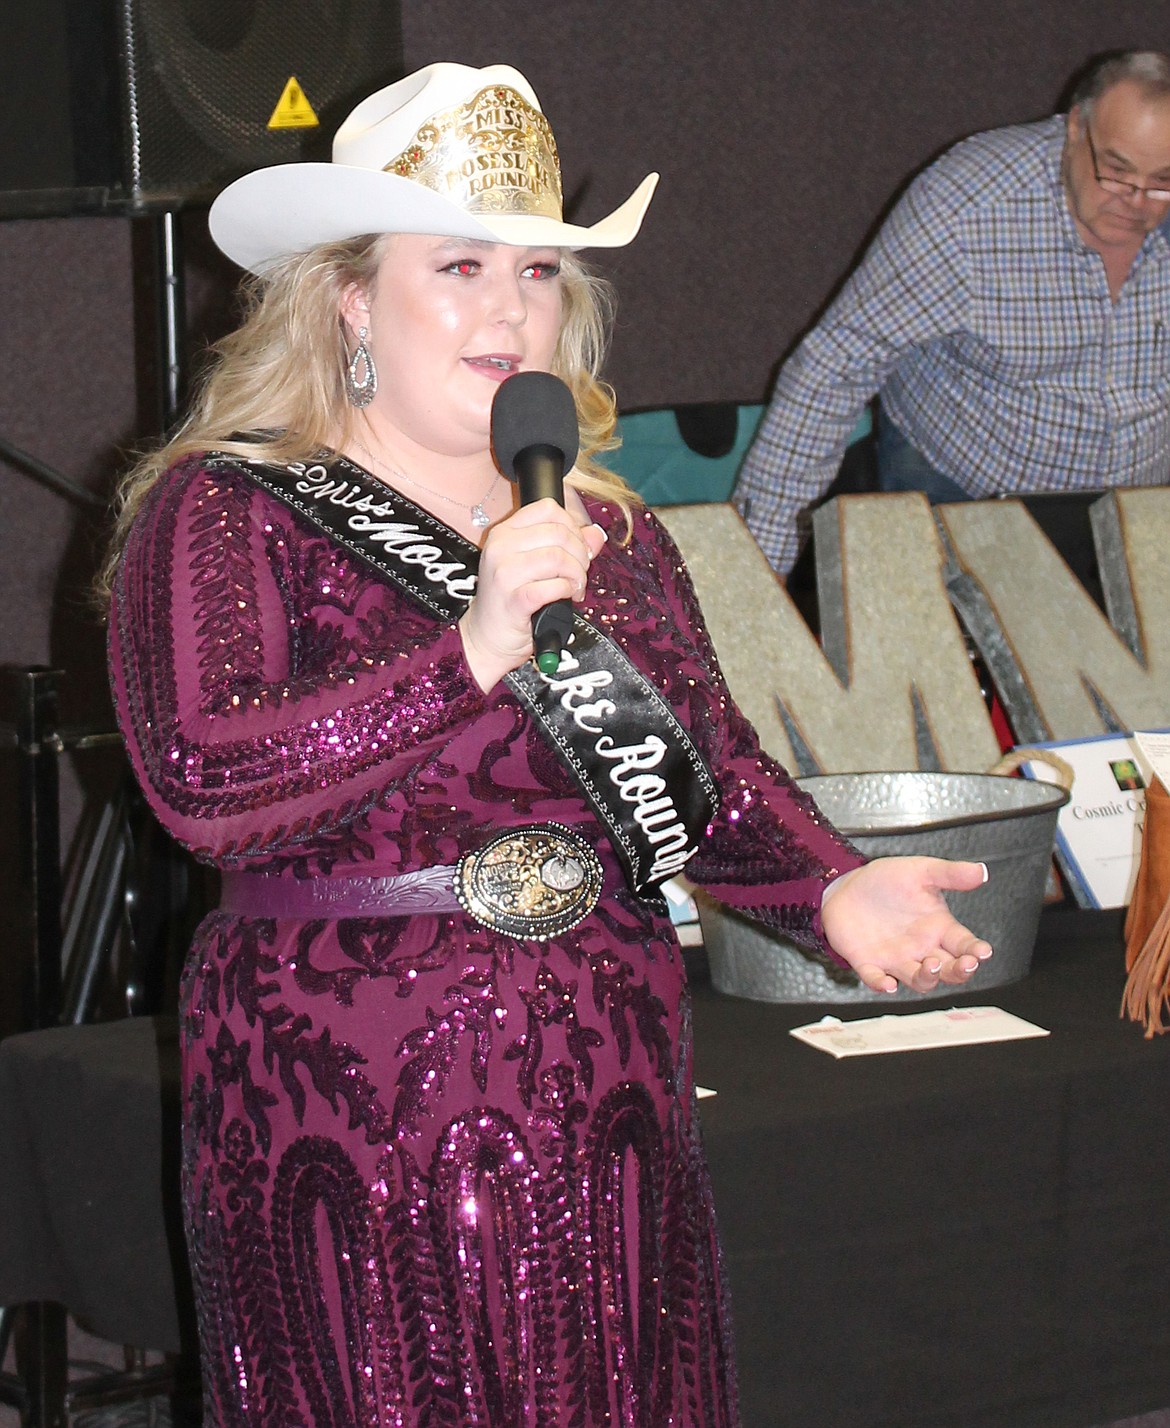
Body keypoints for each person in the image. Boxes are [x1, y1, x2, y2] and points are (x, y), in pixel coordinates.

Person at [103, 61, 992, 1427]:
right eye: (458, 266)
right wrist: (468, 646)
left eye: (533, 273)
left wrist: (828, 885)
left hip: (602, 1063)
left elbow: (708, 772)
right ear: (349, 298)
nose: (508, 306)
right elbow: (206, 784)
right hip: (345, 1089)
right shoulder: (230, 511)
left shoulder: (606, 534)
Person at [735, 49, 1170, 577]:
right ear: (1075, 127)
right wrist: (755, 576)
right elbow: (835, 369)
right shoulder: (968, 210)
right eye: (1116, 172)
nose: (1136, 202)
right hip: (962, 486)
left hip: (1139, 506)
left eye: (1162, 182)